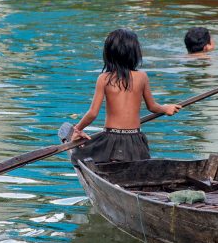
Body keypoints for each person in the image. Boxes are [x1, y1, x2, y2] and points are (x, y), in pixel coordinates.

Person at [70, 29, 181, 164]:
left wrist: (78, 129)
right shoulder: (142, 76)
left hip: (111, 140)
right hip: (135, 141)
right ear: (134, 54)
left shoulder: (104, 78)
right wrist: (166, 108)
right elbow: (152, 107)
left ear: (109, 54)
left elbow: (93, 113)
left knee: (79, 155)